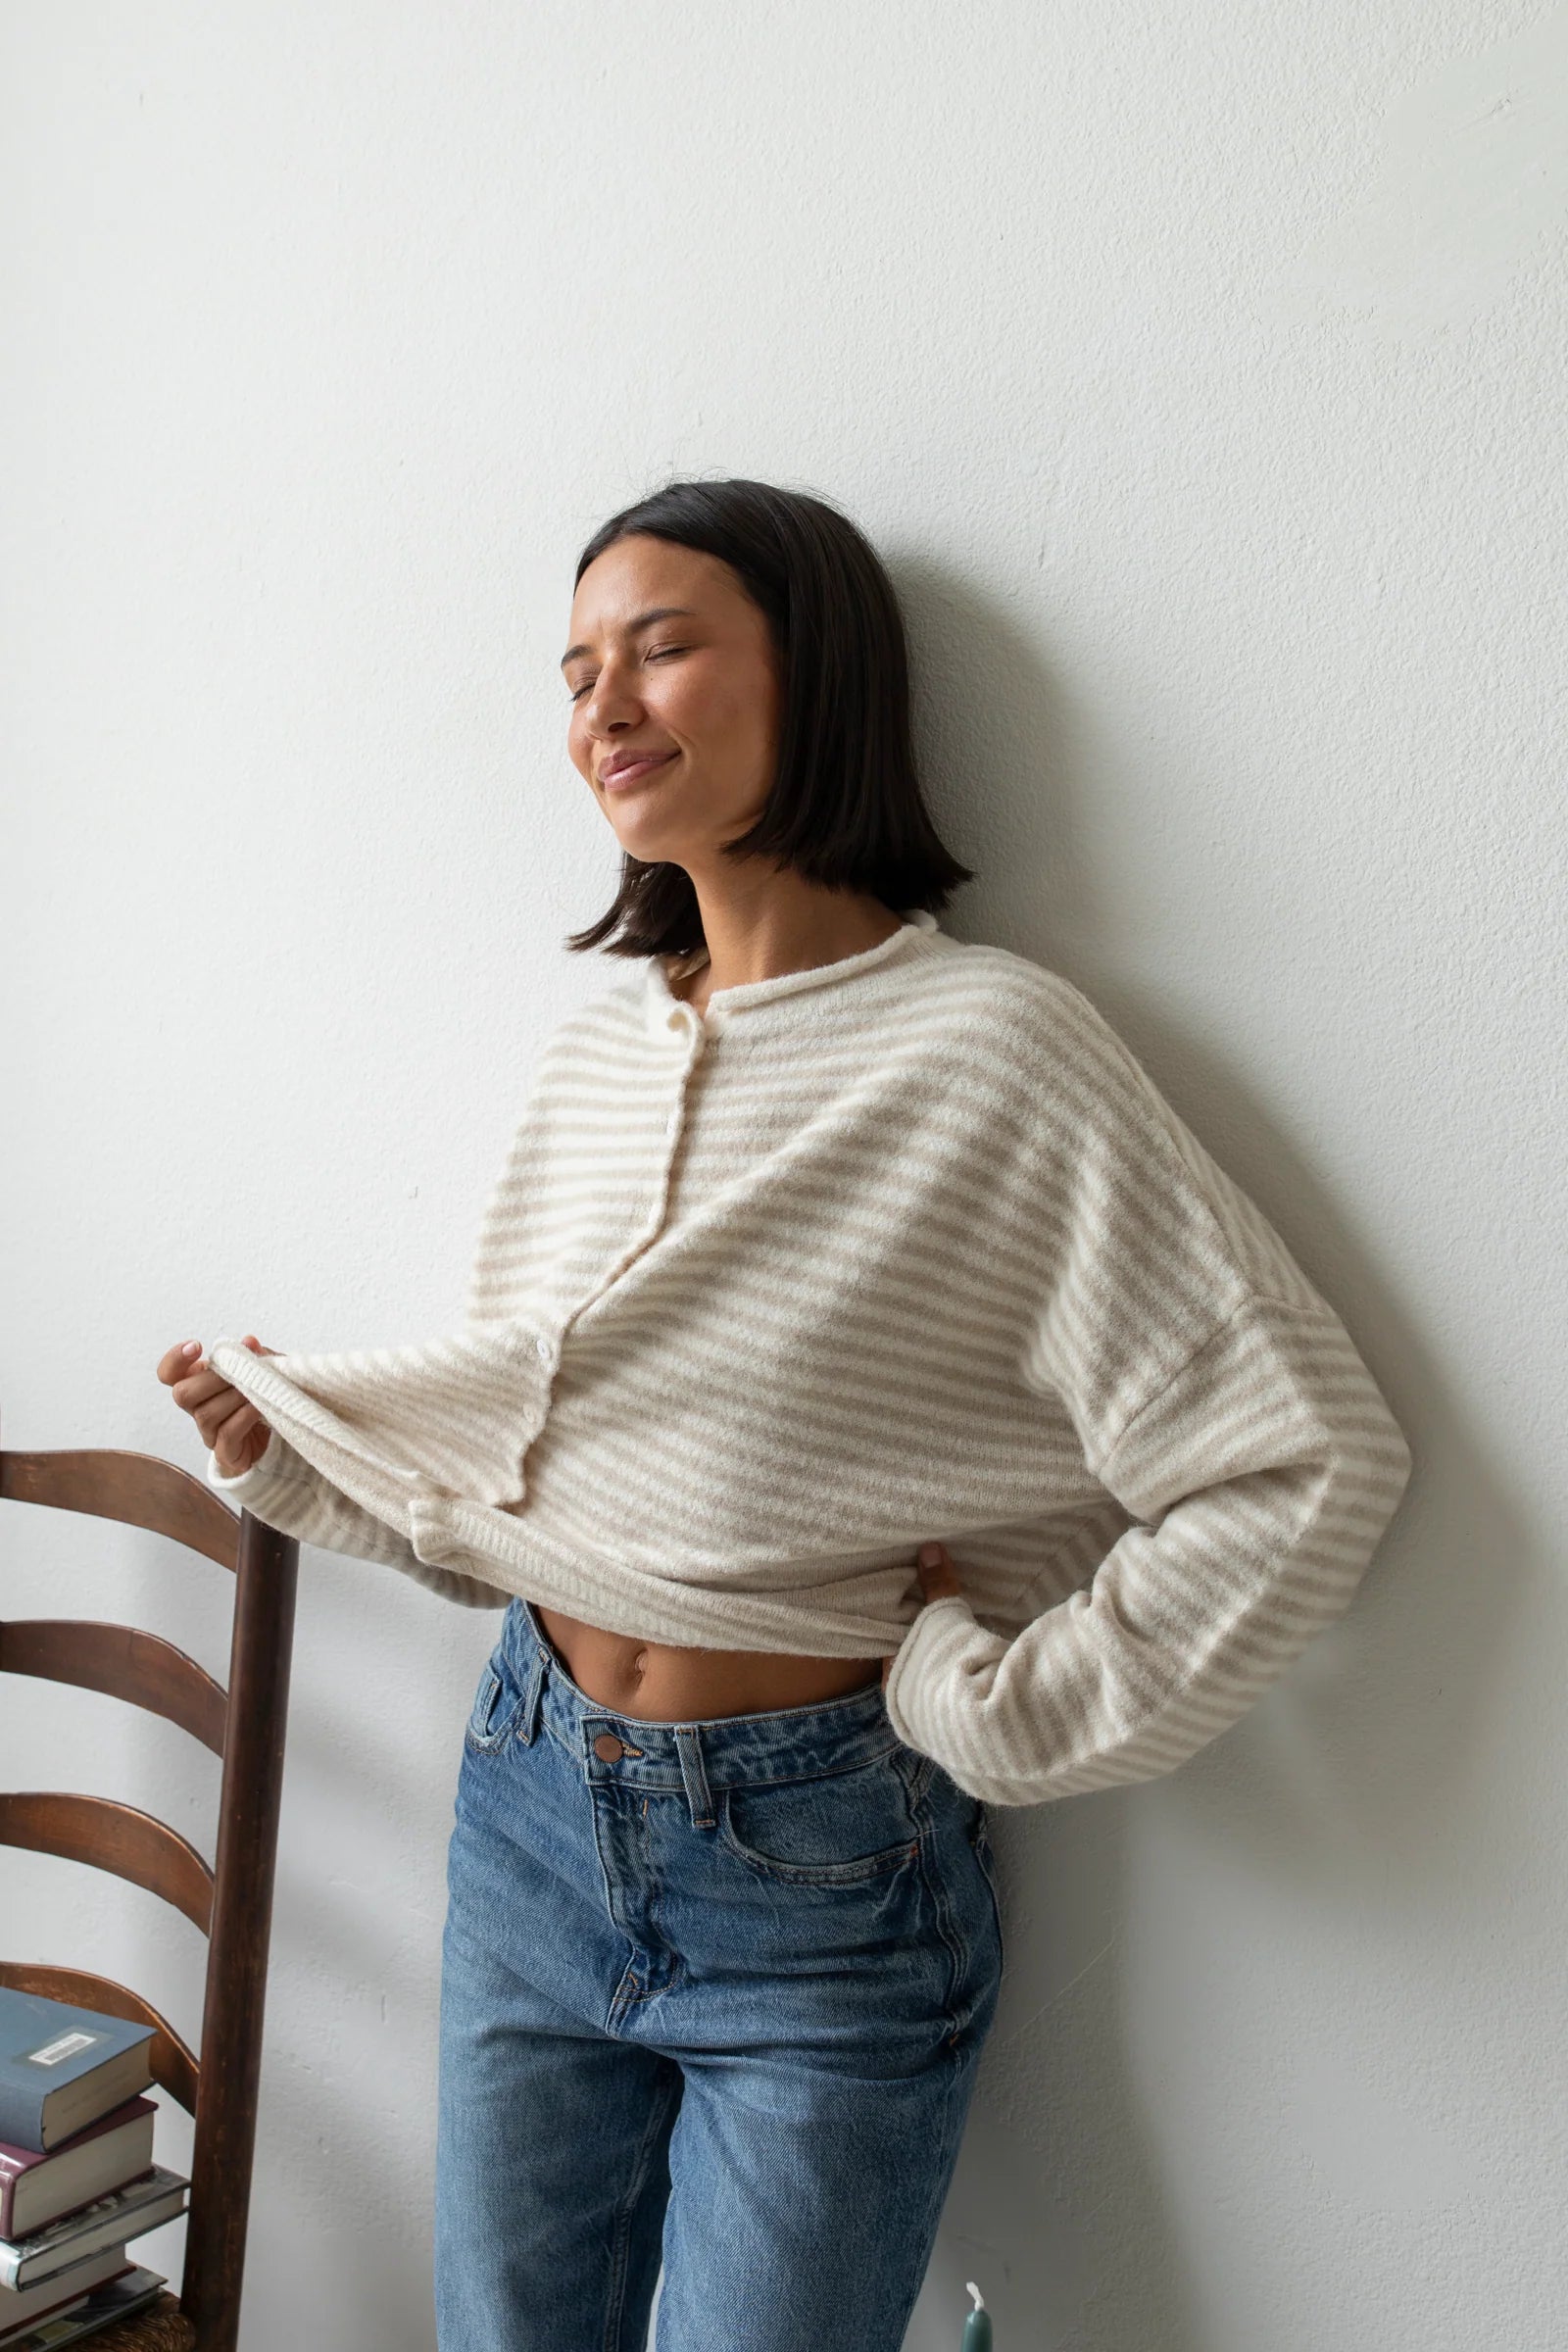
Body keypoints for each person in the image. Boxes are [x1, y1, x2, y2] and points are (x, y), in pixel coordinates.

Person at [159, 476, 1412, 2351]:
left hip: (819, 1875)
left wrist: (986, 1706)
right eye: (577, 668)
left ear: (814, 676)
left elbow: (1306, 1458)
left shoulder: (995, 1051)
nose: (603, 707)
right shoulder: (593, 1048)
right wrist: (306, 1472)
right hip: (523, 1800)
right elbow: (554, 1498)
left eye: (662, 646)